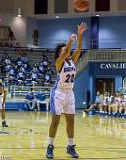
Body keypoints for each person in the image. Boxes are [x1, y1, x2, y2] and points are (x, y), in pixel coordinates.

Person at [46, 22, 87, 159]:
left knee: (71, 121)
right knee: (56, 120)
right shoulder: (59, 62)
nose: (67, 52)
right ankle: (50, 146)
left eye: (67, 50)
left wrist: (80, 34)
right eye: (64, 50)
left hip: (70, 93)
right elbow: (67, 50)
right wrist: (70, 40)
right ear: (60, 53)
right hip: (58, 92)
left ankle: (70, 146)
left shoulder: (71, 61)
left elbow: (79, 49)